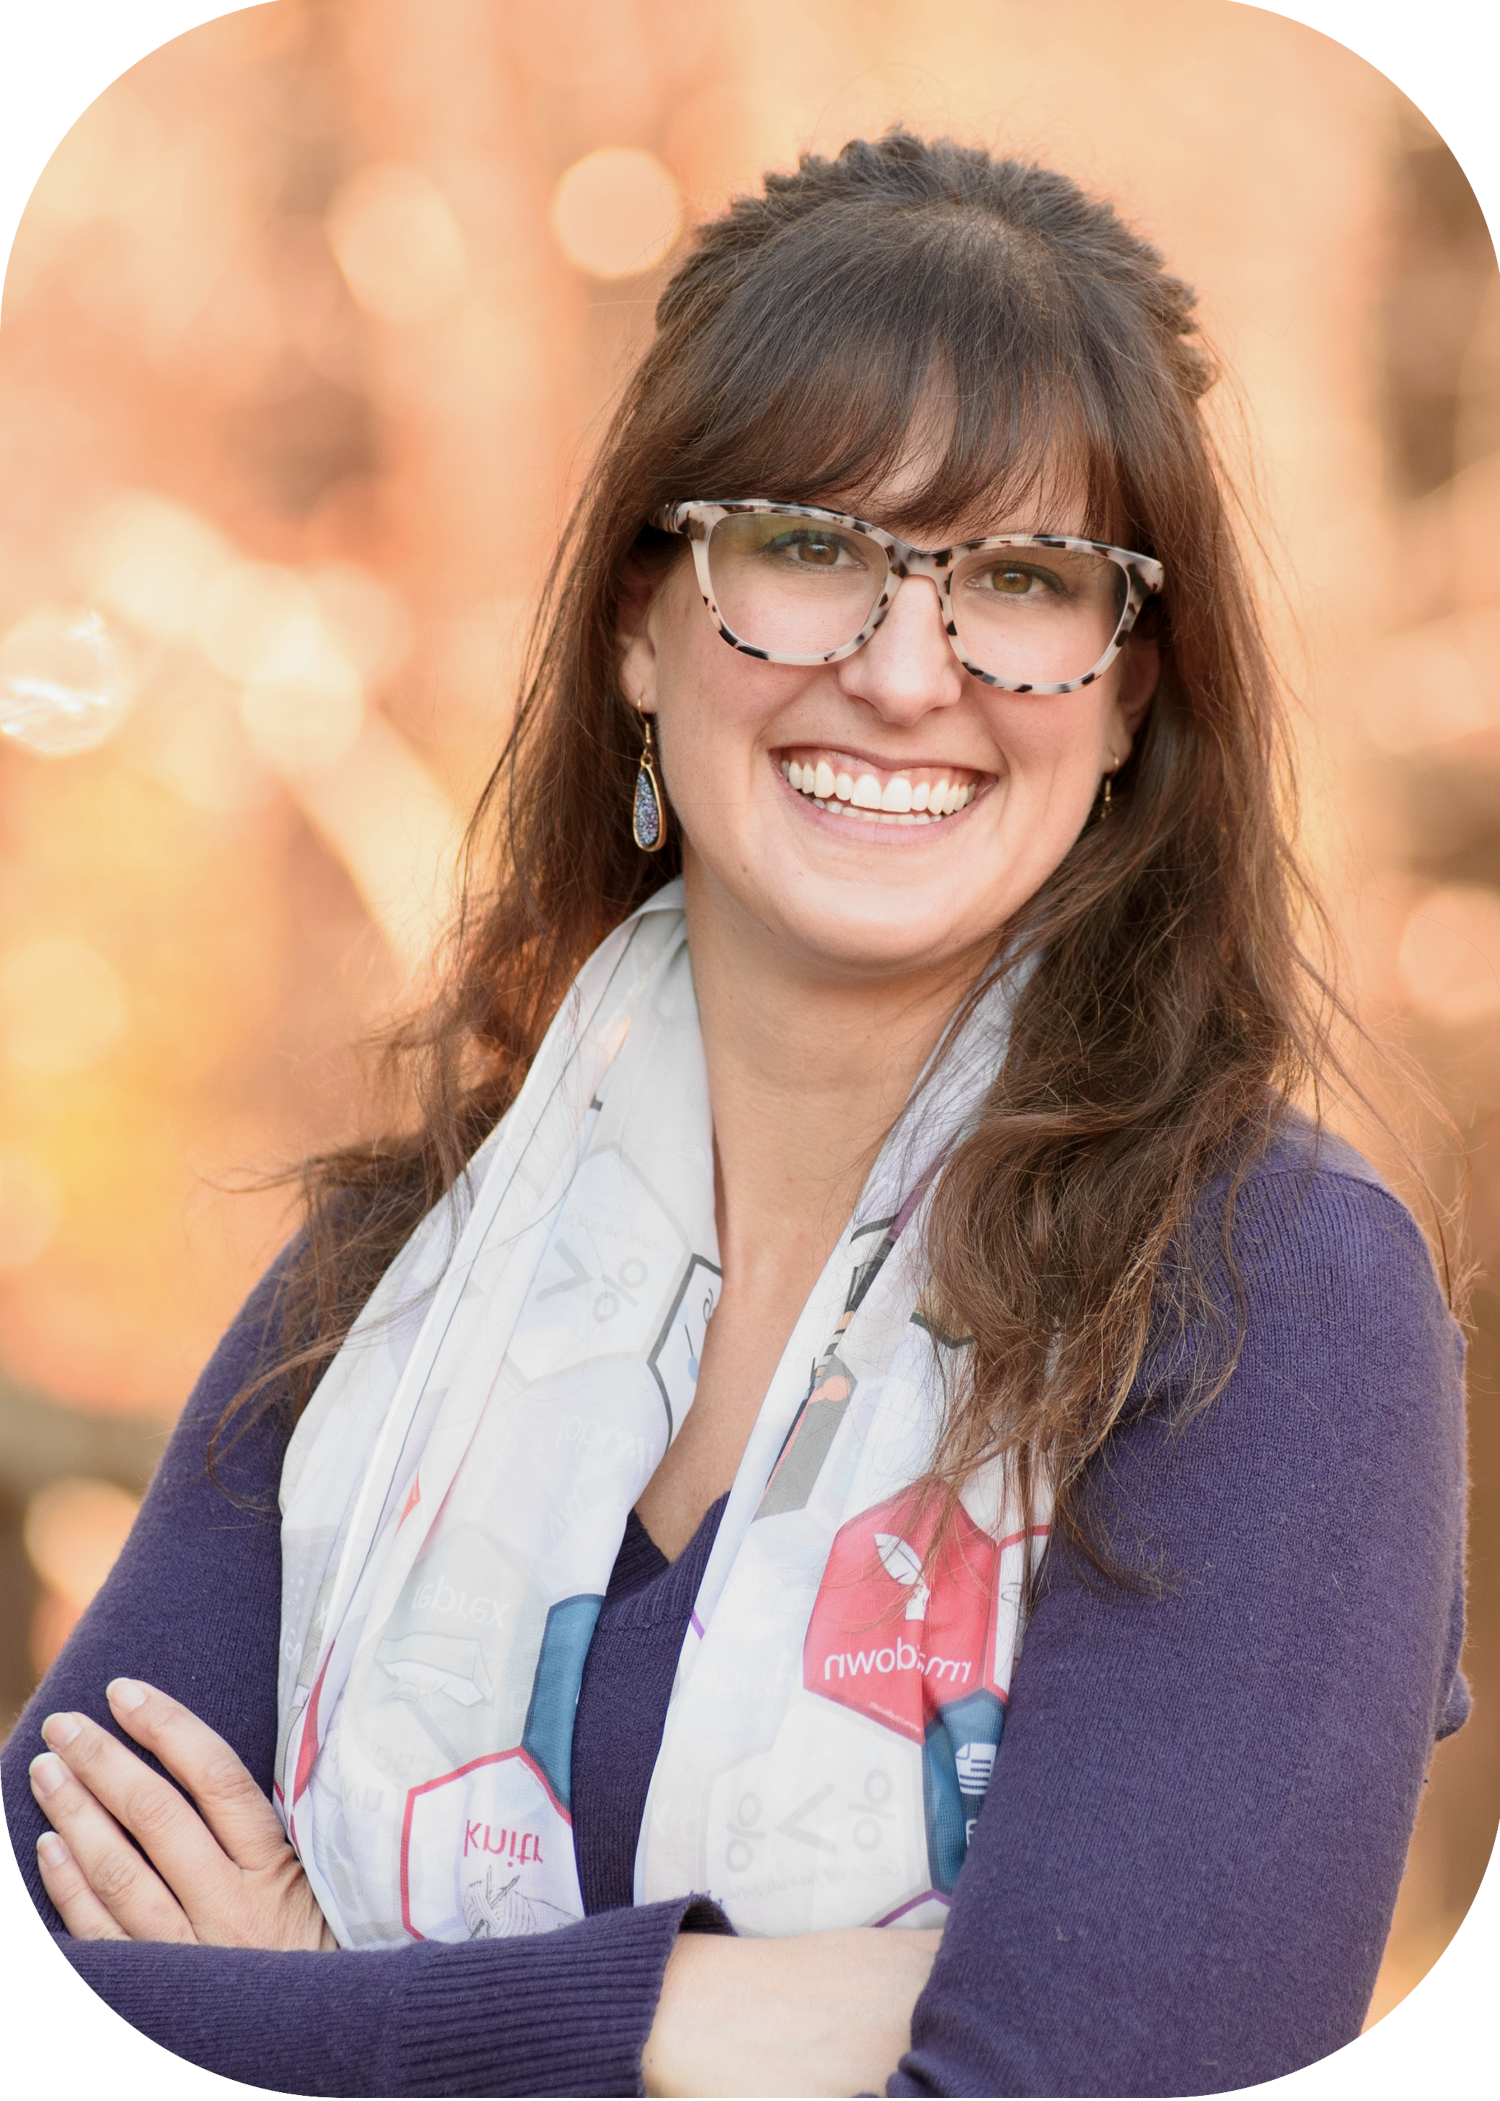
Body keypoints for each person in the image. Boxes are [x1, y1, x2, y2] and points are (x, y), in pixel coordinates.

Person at [3, 131, 1468, 2098]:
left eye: (1026, 580)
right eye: (806, 549)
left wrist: (300, 1998)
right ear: (636, 624)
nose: (904, 672)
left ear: (1130, 696)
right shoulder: (396, 1277)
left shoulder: (1265, 1292)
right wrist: (698, 2016)